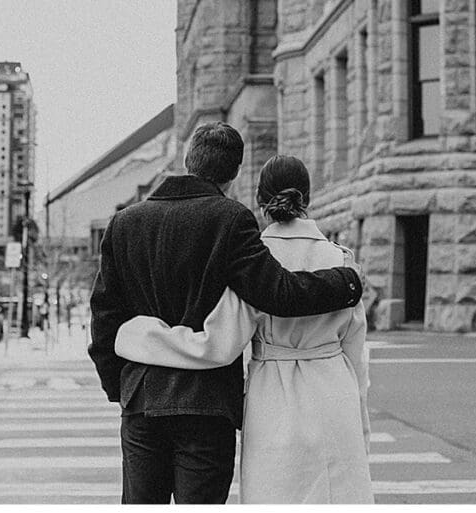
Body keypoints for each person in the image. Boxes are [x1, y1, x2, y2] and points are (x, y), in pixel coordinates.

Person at [88, 124, 363, 505]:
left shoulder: (124, 224)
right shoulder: (231, 220)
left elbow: (104, 317)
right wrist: (347, 282)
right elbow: (278, 293)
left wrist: (119, 388)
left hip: (142, 399)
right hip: (207, 403)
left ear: (188, 160)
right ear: (234, 174)